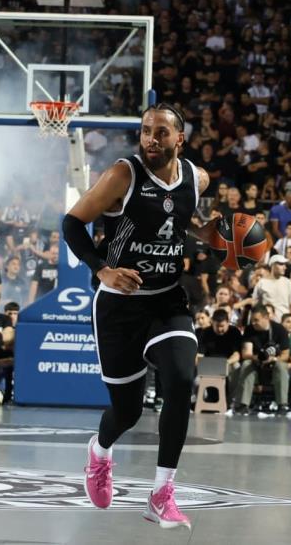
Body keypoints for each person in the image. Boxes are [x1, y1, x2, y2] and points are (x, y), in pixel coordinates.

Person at [61, 103, 216, 529]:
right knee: (126, 413)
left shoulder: (197, 179)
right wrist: (103, 269)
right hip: (119, 307)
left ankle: (162, 494)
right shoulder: (122, 175)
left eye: (161, 132)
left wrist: (201, 233)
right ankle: (100, 450)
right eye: (146, 130)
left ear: (179, 140)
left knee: (182, 378)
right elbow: (72, 225)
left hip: (166, 301)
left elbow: (175, 218)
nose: (151, 138)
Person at [234, 305, 291, 414]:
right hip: (256, 362)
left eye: (256, 320)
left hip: (274, 363)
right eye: (252, 320)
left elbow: (285, 354)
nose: (254, 323)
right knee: (246, 364)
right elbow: (246, 353)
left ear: (266, 318)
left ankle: (282, 404)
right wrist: (258, 358)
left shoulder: (279, 329)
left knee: (281, 366)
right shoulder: (250, 329)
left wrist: (273, 359)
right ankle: (242, 404)